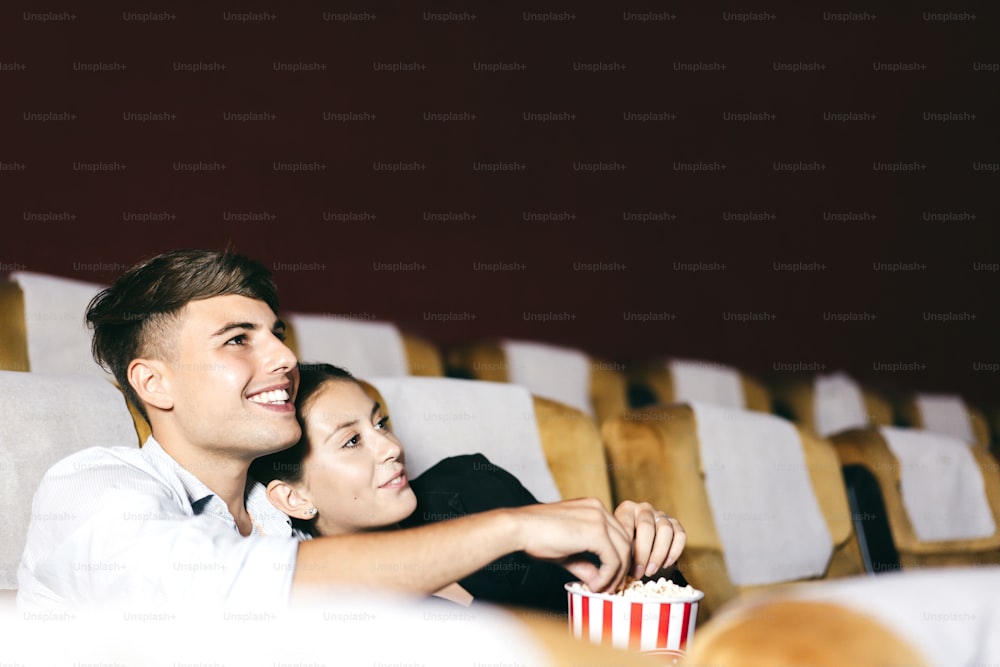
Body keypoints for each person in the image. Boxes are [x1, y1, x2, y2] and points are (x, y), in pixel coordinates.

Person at [17, 248, 685, 612]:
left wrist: (619, 553)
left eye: (275, 334)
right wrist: (512, 527)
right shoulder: (92, 487)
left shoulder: (282, 515)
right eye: (237, 339)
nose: (282, 356)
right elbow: (226, 587)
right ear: (153, 383)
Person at [250, 362, 689, 611]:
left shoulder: (471, 486)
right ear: (294, 497)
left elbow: (606, 603)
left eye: (380, 421)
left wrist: (646, 559)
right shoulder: (317, 603)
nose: (389, 447)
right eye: (351, 441)